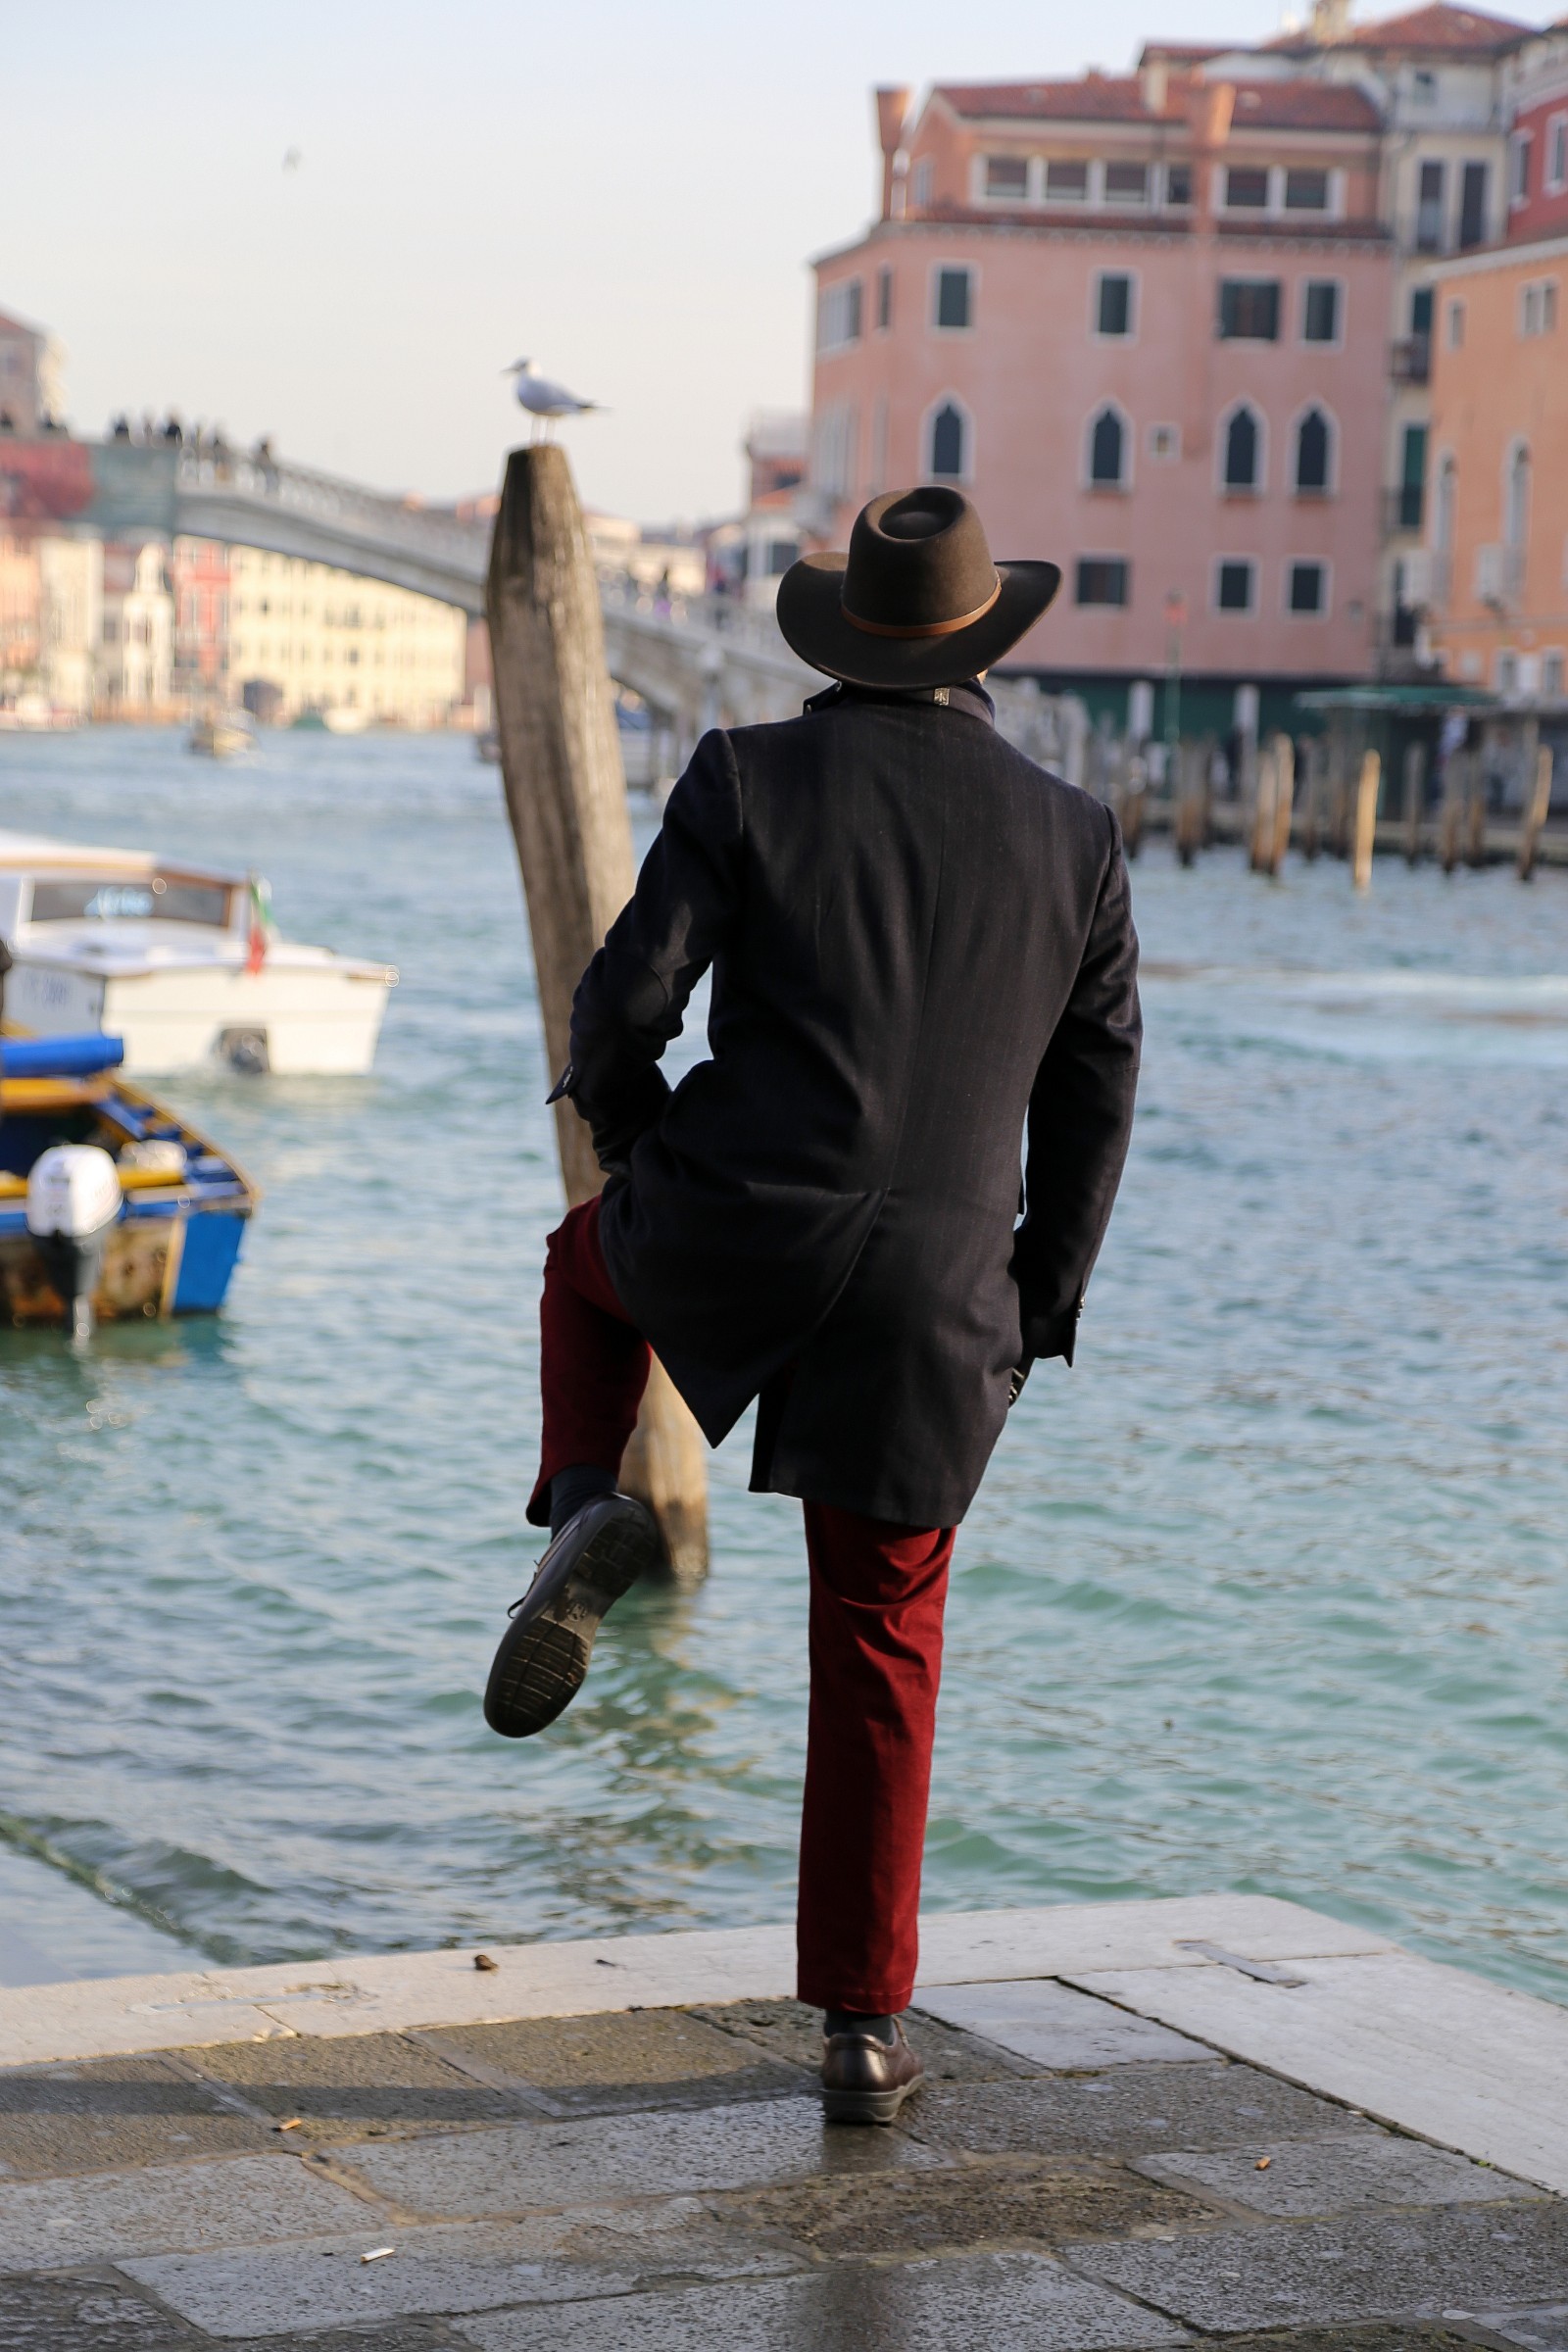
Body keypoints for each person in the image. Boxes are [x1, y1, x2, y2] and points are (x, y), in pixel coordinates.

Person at [484, 486, 1141, 2124]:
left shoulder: (748, 774)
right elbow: (1098, 1093)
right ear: (986, 647)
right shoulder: (1077, 836)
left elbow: (622, 1004)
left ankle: (584, 1504)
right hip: (940, 1295)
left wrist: (644, 1157)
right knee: (879, 1645)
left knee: (586, 1265)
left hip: (740, 1214)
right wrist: (1030, 1306)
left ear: (845, 641)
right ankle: (861, 2029)